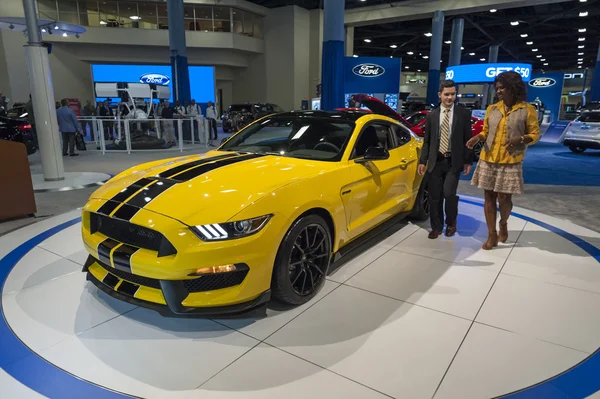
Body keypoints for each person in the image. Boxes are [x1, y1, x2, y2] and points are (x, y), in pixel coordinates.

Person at [466, 71, 540, 250]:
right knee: (488, 197)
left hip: (511, 160)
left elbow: (535, 134)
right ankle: (491, 234)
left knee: (504, 199)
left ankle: (503, 223)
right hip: (488, 158)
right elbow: (485, 131)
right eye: (497, 88)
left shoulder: (527, 110)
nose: (499, 91)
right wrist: (477, 137)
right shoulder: (492, 109)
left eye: (503, 88)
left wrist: (520, 139)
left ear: (513, 88)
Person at [418, 80, 473, 239]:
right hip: (436, 161)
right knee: (434, 196)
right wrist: (423, 161)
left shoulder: (463, 114)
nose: (450, 97)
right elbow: (427, 141)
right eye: (447, 94)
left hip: (453, 162)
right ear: (439, 95)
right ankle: (436, 227)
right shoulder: (432, 115)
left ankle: (451, 222)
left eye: (453, 94)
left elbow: (467, 139)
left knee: (449, 194)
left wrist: (468, 160)